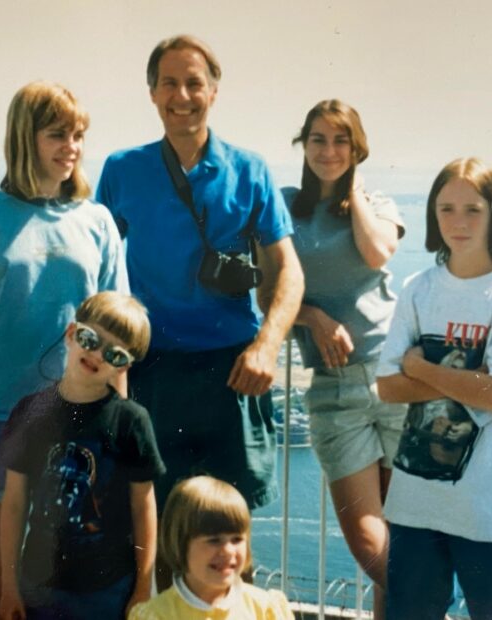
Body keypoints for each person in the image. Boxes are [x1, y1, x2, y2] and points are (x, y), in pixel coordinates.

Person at [0, 81, 126, 619]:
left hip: (78, 427)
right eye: (57, 134)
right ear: (26, 137)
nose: (72, 146)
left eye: (79, 135)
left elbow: (115, 342)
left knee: (65, 586)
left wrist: (117, 430)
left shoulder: (99, 224)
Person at [95, 34, 305, 518]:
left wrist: (268, 345)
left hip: (232, 370)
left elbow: (288, 270)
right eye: (169, 83)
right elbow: (98, 267)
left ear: (214, 92)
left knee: (231, 531)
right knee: (158, 524)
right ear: (152, 93)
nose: (182, 96)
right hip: (151, 370)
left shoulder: (248, 170)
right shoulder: (124, 169)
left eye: (194, 83)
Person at [375, 157, 492, 619]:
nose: (458, 222)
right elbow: (389, 387)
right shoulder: (418, 289)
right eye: (446, 209)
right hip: (417, 501)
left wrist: (421, 365)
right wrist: (476, 384)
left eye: (472, 209)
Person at [282, 99, 406, 619]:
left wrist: (350, 191)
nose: (328, 151)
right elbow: (268, 291)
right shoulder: (284, 206)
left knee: (400, 529)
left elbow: (377, 253)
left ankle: (414, 598)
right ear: (302, 144)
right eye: (318, 139)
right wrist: (311, 317)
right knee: (367, 538)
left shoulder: (378, 205)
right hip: (334, 388)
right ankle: (428, 592)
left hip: (398, 378)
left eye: (341, 141)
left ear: (357, 149)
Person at [0, 292, 163, 620]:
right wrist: (9, 586)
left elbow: (144, 507)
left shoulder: (131, 421)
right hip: (37, 584)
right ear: (71, 333)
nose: (97, 355)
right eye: (90, 339)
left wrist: (143, 588)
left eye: (114, 354)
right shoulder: (31, 413)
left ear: (125, 366)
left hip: (108, 587)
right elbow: (14, 502)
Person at [127, 476, 294, 620]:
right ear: (180, 544)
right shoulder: (157, 615)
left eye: (236, 539)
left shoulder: (264, 609)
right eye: (214, 540)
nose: (228, 551)